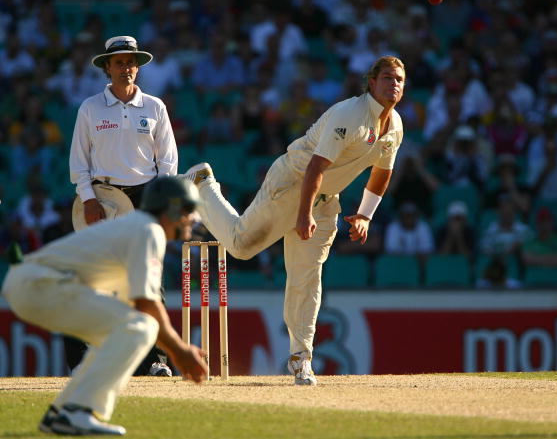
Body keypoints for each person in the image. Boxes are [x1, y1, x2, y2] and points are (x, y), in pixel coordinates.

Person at [185, 56, 405, 385]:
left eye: (400, 79)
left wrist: (364, 215)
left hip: (325, 201)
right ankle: (203, 183)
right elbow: (315, 168)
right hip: (293, 184)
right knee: (241, 247)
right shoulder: (349, 114)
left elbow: (382, 173)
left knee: (306, 278)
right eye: (387, 77)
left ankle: (301, 359)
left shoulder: (396, 126)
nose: (394, 84)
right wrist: (303, 215)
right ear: (371, 82)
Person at [1, 176, 208, 435]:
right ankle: (78, 411)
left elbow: (137, 303)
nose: (192, 218)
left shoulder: (138, 228)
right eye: (188, 210)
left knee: (127, 329)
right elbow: (147, 304)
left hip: (30, 283)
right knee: (139, 328)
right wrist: (180, 351)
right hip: (40, 284)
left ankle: (62, 411)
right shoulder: (148, 230)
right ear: (172, 208)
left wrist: (176, 349)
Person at [68, 35, 178, 376]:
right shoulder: (91, 107)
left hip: (145, 197)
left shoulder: (155, 106)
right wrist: (88, 199)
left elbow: (169, 163)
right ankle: (82, 359)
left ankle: (154, 362)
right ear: (107, 67)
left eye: (131, 62)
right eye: (119, 62)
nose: (126, 68)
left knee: (148, 282)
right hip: (103, 199)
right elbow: (78, 162)